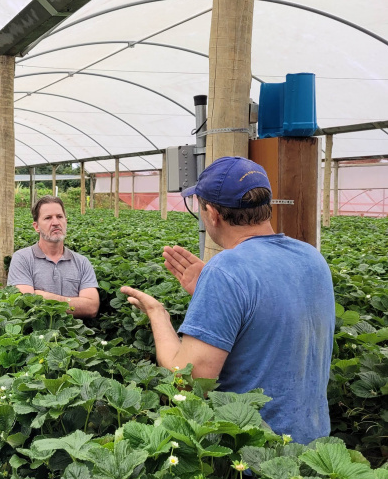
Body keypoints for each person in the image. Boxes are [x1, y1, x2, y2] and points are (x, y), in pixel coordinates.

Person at [121, 156, 334, 444]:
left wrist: (157, 313)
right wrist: (210, 293)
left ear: (212, 213)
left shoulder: (227, 271)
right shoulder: (311, 257)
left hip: (256, 454)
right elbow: (268, 322)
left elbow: (190, 380)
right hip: (313, 443)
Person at [7, 195, 100, 318]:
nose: (55, 223)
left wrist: (43, 296)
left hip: (75, 335)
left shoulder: (82, 262)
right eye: (48, 218)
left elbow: (91, 308)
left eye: (59, 217)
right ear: (36, 227)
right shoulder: (22, 258)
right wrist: (74, 303)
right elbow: (25, 302)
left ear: (65, 221)